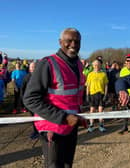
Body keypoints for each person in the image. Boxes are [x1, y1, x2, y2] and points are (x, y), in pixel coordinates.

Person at [23, 28, 86, 168]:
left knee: (67, 165)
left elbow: (74, 95)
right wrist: (63, 117)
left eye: (77, 41)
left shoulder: (78, 65)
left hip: (71, 126)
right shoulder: (48, 63)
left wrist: (79, 114)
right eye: (69, 41)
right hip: (53, 127)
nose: (73, 44)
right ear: (60, 42)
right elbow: (30, 99)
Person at [86, 59, 108, 132]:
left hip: (101, 94)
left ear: (100, 65)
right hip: (92, 94)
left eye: (98, 65)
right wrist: (87, 95)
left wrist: (105, 95)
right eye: (95, 65)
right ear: (93, 66)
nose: (96, 66)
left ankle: (101, 125)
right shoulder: (90, 74)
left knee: (100, 110)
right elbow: (88, 86)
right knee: (92, 110)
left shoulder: (103, 74)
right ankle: (91, 125)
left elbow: (106, 85)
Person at [20, 61, 39, 139]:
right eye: (31, 67)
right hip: (30, 102)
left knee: (41, 117)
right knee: (33, 117)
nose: (33, 68)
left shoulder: (40, 76)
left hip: (39, 101)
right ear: (29, 68)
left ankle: (42, 131)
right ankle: (35, 131)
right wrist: (23, 101)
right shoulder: (26, 77)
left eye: (34, 67)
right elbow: (22, 89)